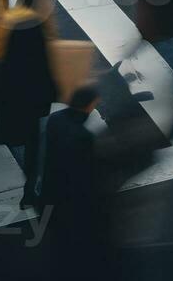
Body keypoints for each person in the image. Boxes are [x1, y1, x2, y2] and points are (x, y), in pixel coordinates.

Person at [0, 0, 58, 207]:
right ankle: (33, 190)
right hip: (35, 97)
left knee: (34, 142)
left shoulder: (15, 23)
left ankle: (31, 190)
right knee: (36, 144)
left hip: (18, 94)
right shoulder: (35, 28)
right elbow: (41, 67)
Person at [36, 85, 100, 250]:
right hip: (69, 198)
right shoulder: (84, 137)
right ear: (90, 105)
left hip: (49, 188)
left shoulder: (56, 118)